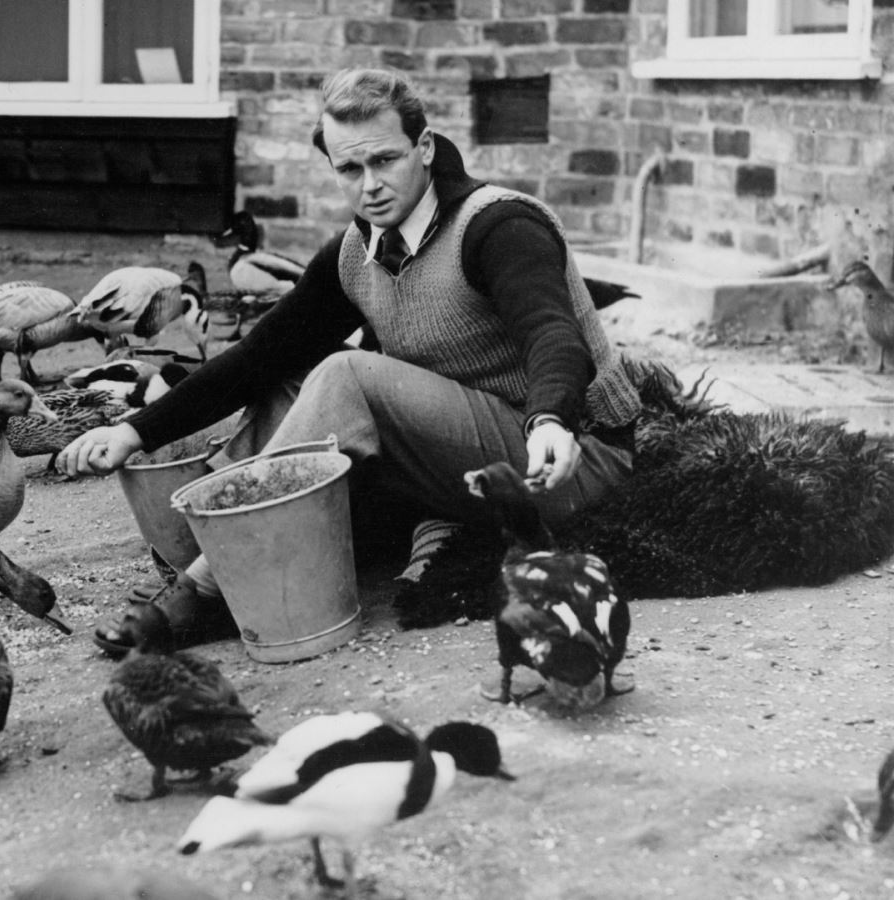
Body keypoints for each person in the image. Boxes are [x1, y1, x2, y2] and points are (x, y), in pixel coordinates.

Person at [57, 67, 642, 656]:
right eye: (349, 169)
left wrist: (550, 419)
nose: (371, 186)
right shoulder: (356, 253)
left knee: (346, 373)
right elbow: (256, 358)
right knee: (289, 372)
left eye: (385, 160)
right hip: (452, 456)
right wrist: (135, 430)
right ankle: (228, 531)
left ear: (426, 147)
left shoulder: (499, 225)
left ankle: (209, 588)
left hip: (568, 460)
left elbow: (553, 335)